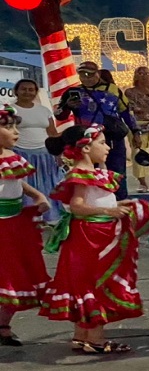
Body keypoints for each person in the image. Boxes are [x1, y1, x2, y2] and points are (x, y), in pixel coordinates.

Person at [41, 124, 149, 354]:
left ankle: (81, 337)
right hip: (91, 238)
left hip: (95, 235)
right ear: (85, 148)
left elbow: (95, 202)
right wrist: (109, 212)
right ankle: (95, 340)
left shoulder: (92, 174)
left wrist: (118, 205)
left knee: (86, 282)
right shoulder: (80, 174)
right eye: (102, 142)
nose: (108, 147)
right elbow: (77, 206)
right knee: (98, 282)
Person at [0, 105, 52, 347]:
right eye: (7, 126)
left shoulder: (12, 158)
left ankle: (3, 327)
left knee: (18, 277)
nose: (15, 132)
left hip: (15, 225)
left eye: (15, 126)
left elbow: (18, 182)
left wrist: (38, 196)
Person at [53, 61, 142, 200]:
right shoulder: (72, 92)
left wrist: (136, 132)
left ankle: (119, 202)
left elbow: (126, 112)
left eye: (90, 74)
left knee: (116, 172)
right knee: (88, 172)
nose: (87, 78)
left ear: (98, 74)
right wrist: (67, 106)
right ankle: (90, 202)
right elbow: (59, 115)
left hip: (112, 138)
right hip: (87, 140)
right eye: (83, 75)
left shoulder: (112, 89)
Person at [11, 78, 62, 221]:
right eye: (23, 89)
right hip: (19, 153)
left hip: (45, 154)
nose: (27, 92)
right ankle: (27, 218)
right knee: (24, 187)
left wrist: (58, 153)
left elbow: (52, 133)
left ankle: (49, 217)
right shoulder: (9, 109)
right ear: (16, 91)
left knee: (47, 184)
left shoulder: (44, 110)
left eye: (31, 89)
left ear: (36, 92)